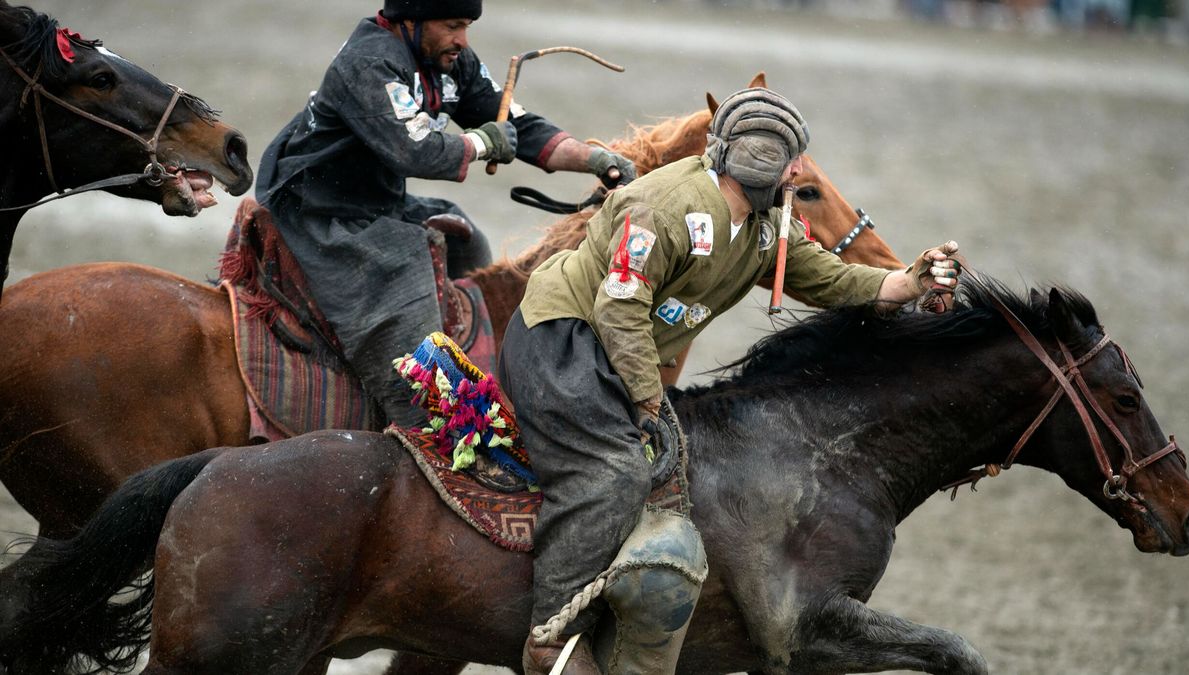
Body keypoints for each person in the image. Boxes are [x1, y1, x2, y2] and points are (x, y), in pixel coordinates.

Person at [497, 87, 961, 673]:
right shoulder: (660, 210)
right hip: (560, 341)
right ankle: (550, 635)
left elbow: (827, 278)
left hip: (619, 349)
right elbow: (617, 310)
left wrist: (907, 283)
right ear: (761, 159)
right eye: (792, 159)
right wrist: (647, 402)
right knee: (613, 475)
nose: (799, 172)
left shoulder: (765, 224)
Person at [254, 0, 636, 436]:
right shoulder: (367, 64)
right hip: (318, 210)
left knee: (466, 239)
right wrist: (480, 143)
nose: (463, 40)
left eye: (468, 26)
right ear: (410, 21)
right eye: (453, 25)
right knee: (409, 270)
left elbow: (516, 125)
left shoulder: (449, 60)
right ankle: (431, 421)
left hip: (376, 201)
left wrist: (592, 158)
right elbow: (417, 150)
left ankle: (475, 367)